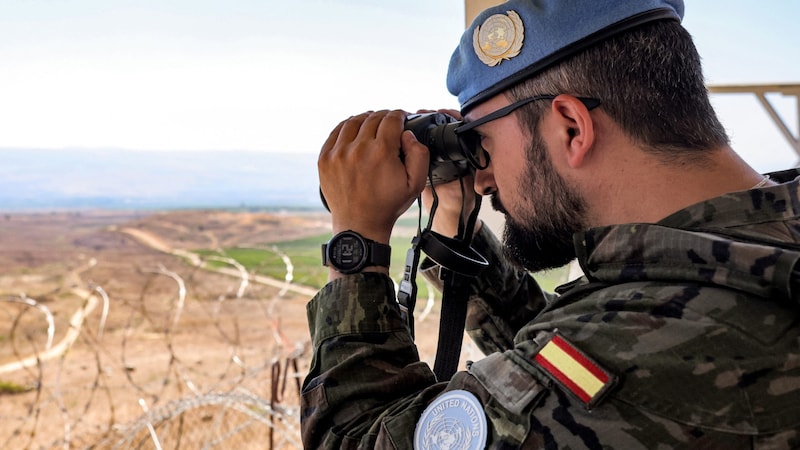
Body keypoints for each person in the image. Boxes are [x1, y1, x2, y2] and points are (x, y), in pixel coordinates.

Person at [304, 0, 800, 448]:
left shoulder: (646, 342)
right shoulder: (750, 249)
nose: (484, 178)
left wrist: (357, 245)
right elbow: (563, 370)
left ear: (571, 126)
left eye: (487, 145)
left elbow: (352, 439)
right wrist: (457, 222)